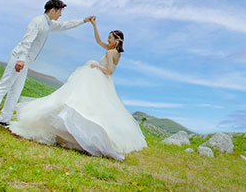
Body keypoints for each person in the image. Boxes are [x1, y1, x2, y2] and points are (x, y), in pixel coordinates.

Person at [8, 17, 147, 160]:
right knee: (95, 108)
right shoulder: (115, 52)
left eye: (110, 38)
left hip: (101, 77)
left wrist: (96, 66)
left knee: (80, 101)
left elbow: (109, 70)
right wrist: (94, 26)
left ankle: (79, 133)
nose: (108, 39)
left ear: (117, 40)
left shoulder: (110, 53)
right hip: (105, 83)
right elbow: (99, 42)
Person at [0, 0, 94, 131]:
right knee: (4, 86)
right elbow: (27, 41)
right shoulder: (38, 21)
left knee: (16, 90)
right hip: (19, 58)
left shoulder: (48, 24)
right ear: (53, 10)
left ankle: (4, 119)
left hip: (26, 61)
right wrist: (21, 59)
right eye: (60, 11)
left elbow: (65, 25)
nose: (61, 15)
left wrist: (84, 20)